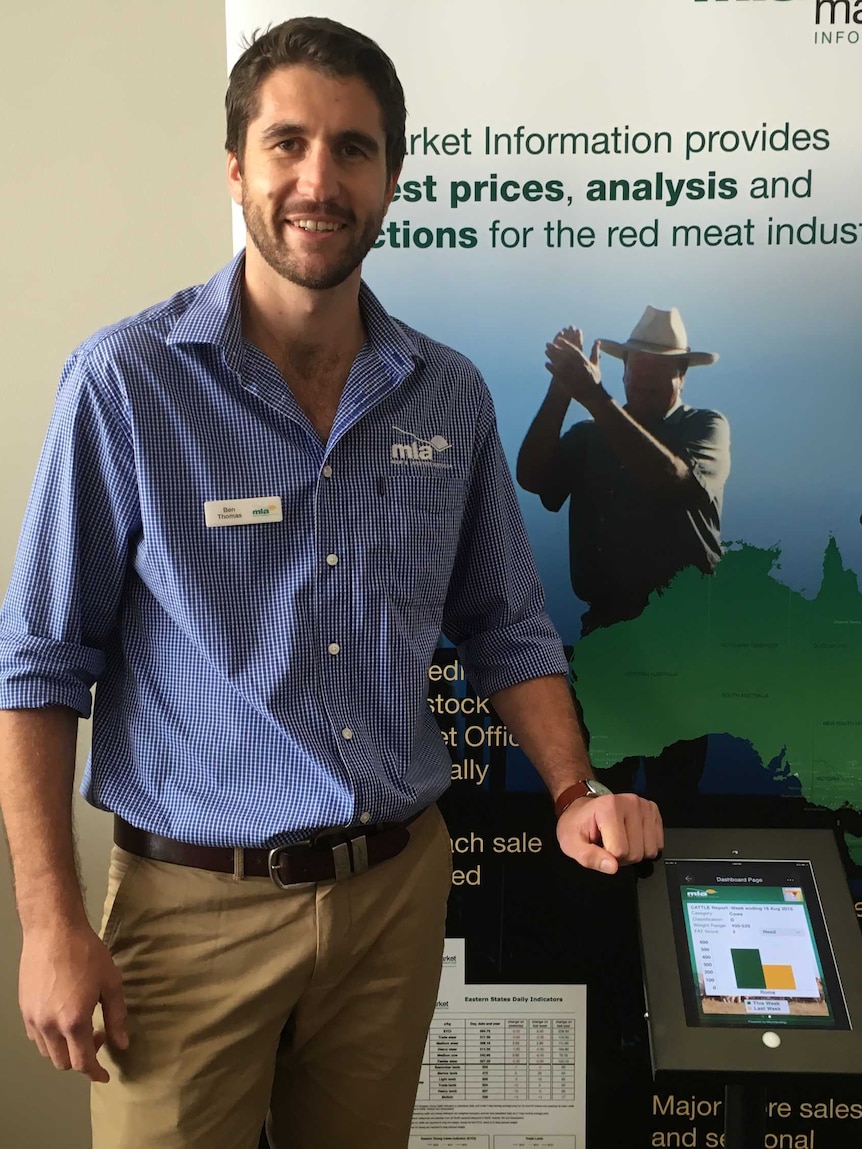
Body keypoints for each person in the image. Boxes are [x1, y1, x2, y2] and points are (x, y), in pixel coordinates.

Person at [0, 19, 662, 1149]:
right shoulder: (127, 384)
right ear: (236, 169)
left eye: (352, 149)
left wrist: (568, 793)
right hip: (187, 912)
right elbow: (42, 663)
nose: (320, 179)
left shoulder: (446, 396)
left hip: (388, 905)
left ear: (390, 178)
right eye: (288, 143)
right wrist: (52, 922)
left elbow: (505, 624)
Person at [517, 306, 730, 798]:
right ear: (625, 369)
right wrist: (561, 391)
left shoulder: (705, 427)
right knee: (601, 797)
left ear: (682, 375)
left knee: (675, 802)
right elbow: (532, 478)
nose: (647, 380)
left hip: (683, 643)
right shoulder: (589, 435)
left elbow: (671, 479)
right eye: (639, 367)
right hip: (608, 642)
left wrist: (592, 395)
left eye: (661, 370)